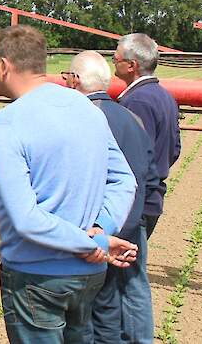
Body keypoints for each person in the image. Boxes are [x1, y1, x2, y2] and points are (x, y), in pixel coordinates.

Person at [0, 25, 138, 344]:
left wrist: (91, 244)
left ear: (4, 65)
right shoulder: (88, 109)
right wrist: (102, 228)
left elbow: (26, 219)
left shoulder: (7, 123)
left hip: (36, 278)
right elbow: (124, 179)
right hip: (89, 276)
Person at [66, 51, 160, 344]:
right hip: (129, 225)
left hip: (94, 232)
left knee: (83, 316)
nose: (65, 81)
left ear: (76, 80)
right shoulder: (131, 118)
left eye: (66, 76)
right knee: (109, 311)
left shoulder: (80, 120)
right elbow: (150, 173)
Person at [114, 33, 181, 239]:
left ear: (131, 65)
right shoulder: (164, 96)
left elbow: (137, 159)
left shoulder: (137, 102)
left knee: (128, 270)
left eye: (115, 60)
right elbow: (175, 149)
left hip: (137, 205)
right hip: (152, 199)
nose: (113, 64)